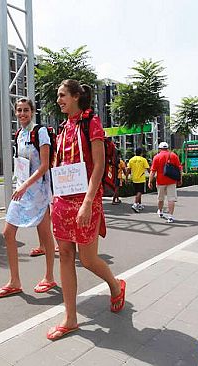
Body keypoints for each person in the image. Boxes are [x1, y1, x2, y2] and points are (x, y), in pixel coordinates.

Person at [48, 79, 125, 341]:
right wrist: (54, 197)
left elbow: (99, 166)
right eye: (58, 96)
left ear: (75, 96)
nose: (59, 100)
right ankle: (70, 318)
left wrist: (88, 202)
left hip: (85, 199)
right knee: (66, 256)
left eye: (62, 95)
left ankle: (115, 286)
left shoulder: (91, 122)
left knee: (88, 259)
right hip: (61, 199)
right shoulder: (61, 127)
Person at [0, 98, 56, 298]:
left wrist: (25, 185)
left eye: (26, 110)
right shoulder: (19, 134)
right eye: (19, 110)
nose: (22, 114)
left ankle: (49, 276)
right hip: (21, 190)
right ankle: (15, 281)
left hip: (38, 191)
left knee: (45, 233)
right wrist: (18, 182)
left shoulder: (41, 132)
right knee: (8, 232)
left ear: (33, 111)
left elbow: (44, 165)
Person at [148, 142, 182, 223]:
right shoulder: (174, 155)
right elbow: (179, 169)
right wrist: (180, 179)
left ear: (159, 149)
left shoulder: (156, 157)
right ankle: (170, 217)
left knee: (160, 198)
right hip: (172, 181)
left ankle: (160, 211)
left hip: (160, 181)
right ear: (168, 148)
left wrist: (150, 181)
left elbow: (152, 171)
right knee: (171, 199)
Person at [127, 147, 150, 213]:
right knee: (140, 192)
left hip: (134, 178)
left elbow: (128, 169)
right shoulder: (143, 160)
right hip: (141, 178)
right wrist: (151, 175)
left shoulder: (131, 160)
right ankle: (135, 204)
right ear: (141, 153)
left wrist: (126, 177)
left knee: (137, 192)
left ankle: (139, 204)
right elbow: (148, 169)